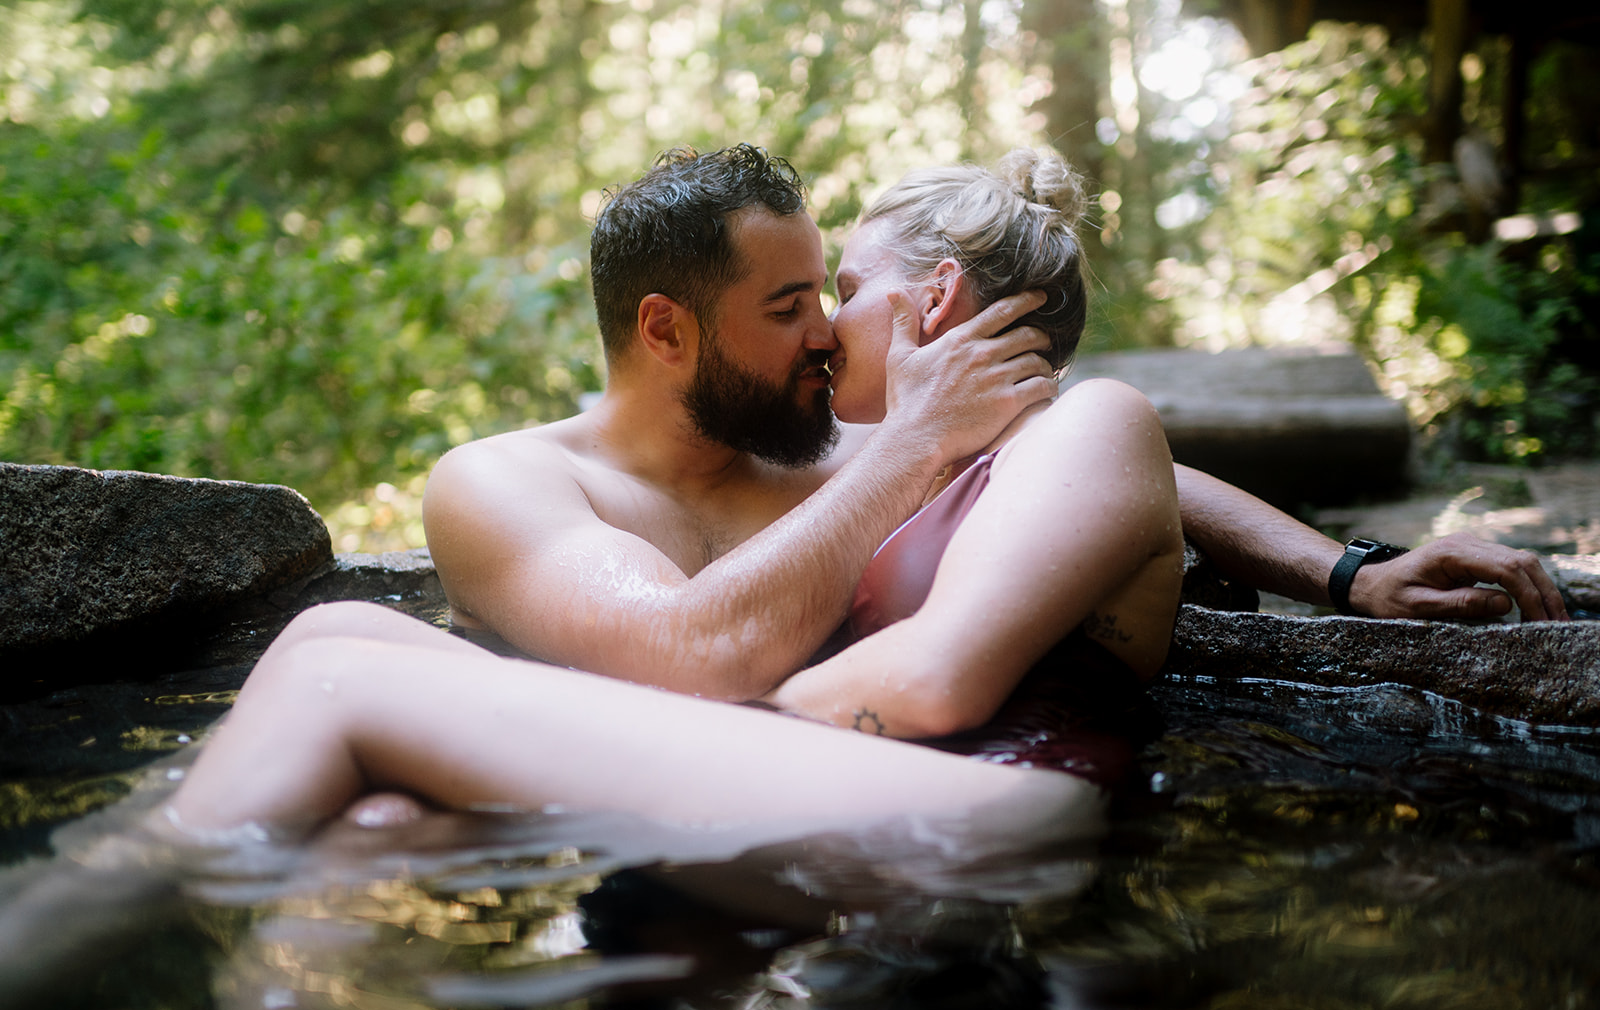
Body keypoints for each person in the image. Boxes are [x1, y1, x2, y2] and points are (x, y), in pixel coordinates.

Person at [157, 144, 1566, 844]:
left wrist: (565, 719)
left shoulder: (1062, 432)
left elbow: (1083, 505)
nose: (830, 329)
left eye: (840, 290)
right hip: (871, 794)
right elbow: (1145, 485)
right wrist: (1344, 566)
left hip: (966, 807)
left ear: (935, 295)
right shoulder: (952, 451)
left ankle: (70, 909)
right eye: (801, 302)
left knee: (334, 660)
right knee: (375, 828)